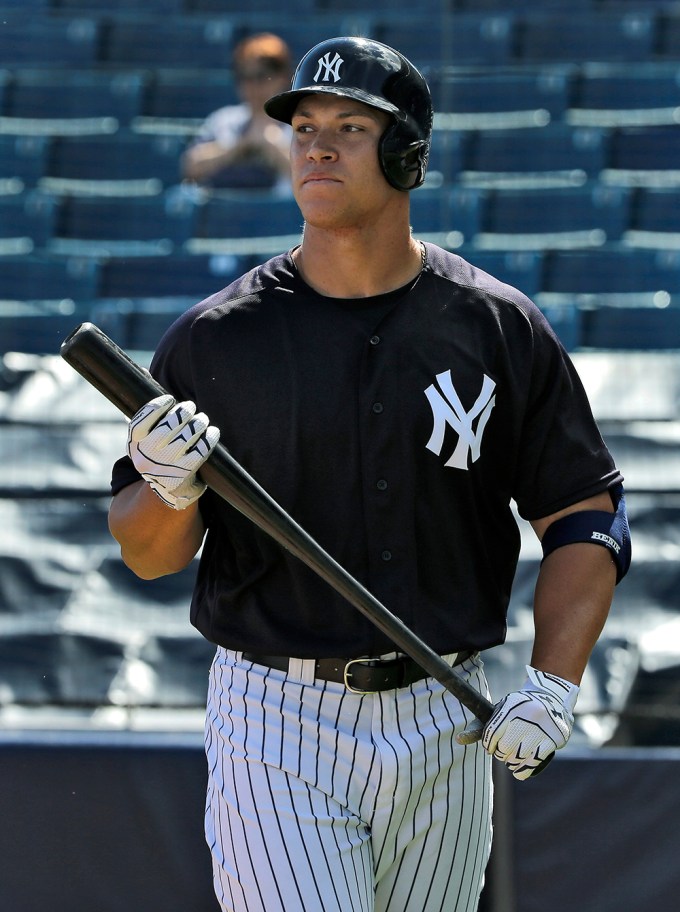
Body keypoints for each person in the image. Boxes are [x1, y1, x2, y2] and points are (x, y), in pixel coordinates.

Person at [109, 36, 631, 912]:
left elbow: (584, 513)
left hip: (447, 709)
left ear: (407, 153)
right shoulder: (216, 337)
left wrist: (553, 682)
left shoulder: (497, 326)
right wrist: (168, 488)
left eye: (349, 127)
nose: (315, 145)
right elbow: (149, 555)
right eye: (304, 125)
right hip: (276, 712)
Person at [181, 32, 293, 193]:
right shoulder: (223, 120)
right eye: (245, 77)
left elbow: (311, 175)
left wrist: (271, 145)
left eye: (262, 76)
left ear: (283, 77)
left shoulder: (300, 122)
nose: (253, 86)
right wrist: (239, 146)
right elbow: (190, 166)